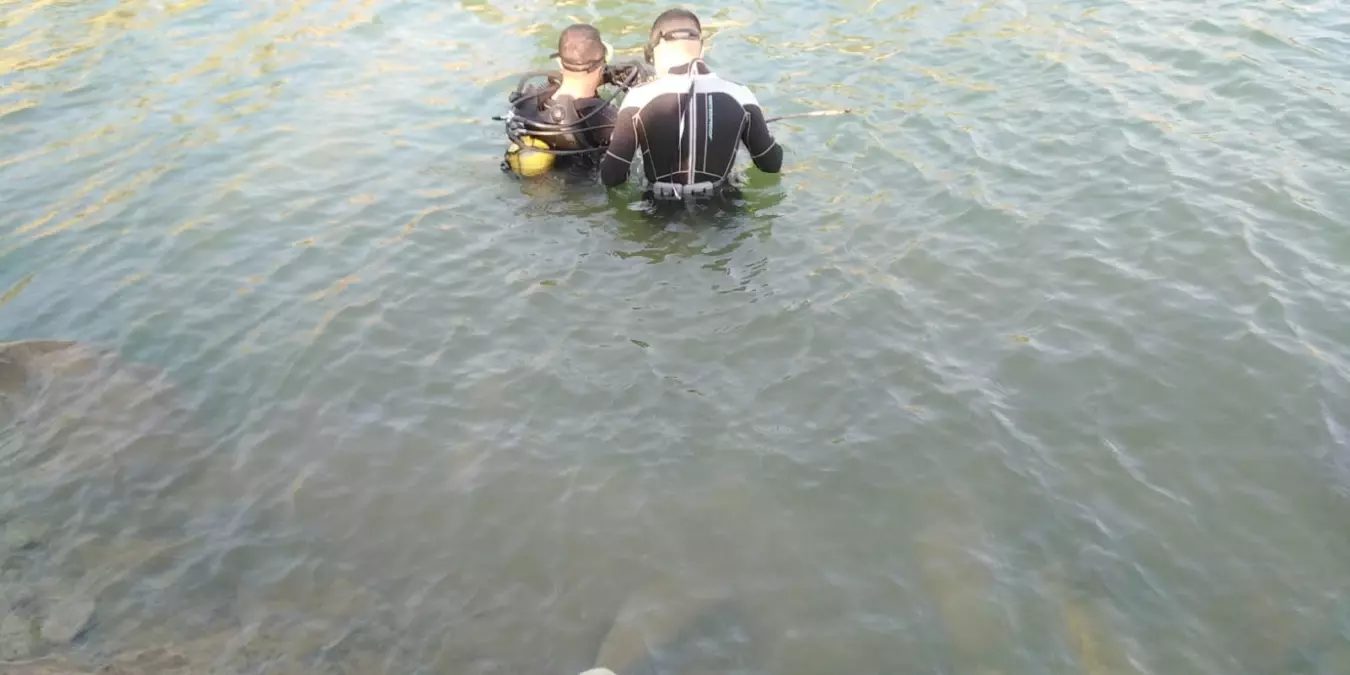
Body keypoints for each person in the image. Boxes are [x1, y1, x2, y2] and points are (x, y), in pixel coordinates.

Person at [599, 8, 782, 200]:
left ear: (655, 50)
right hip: (725, 208)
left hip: (659, 210)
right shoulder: (740, 94)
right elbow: (771, 164)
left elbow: (612, 176)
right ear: (702, 48)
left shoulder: (638, 97)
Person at [504, 24, 619, 175]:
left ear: (559, 61)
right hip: (584, 183)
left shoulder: (530, 104)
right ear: (602, 65)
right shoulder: (603, 118)